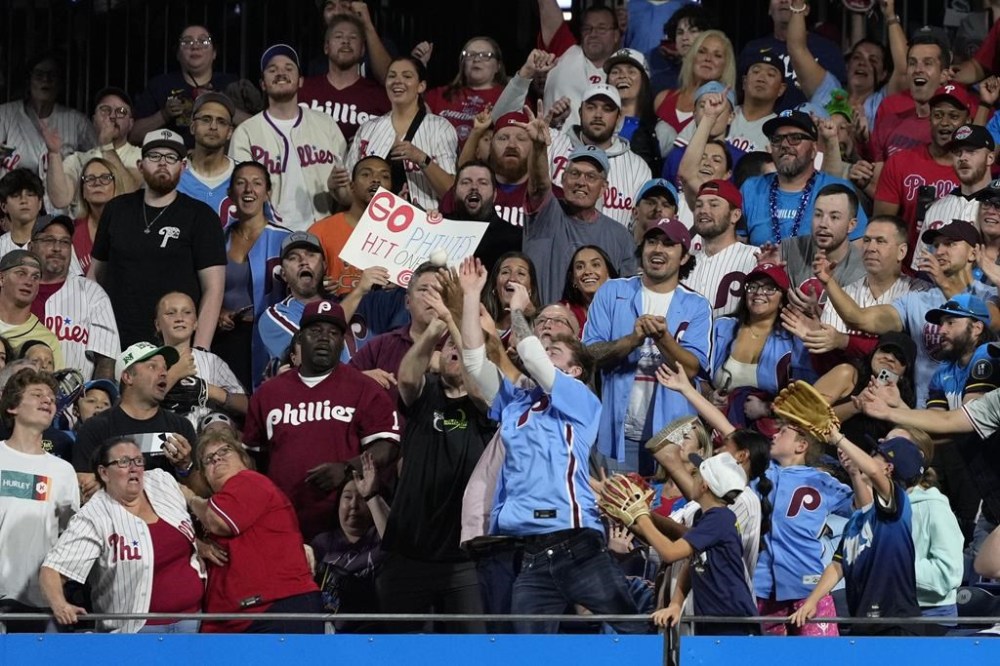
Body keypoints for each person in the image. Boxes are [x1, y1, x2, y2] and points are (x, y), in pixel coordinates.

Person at [458, 255, 643, 634]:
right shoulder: (516, 402)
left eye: (556, 350)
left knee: (632, 633)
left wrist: (517, 310)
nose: (546, 351)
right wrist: (471, 294)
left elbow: (532, 358)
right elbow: (475, 363)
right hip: (530, 554)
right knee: (527, 652)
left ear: (575, 369)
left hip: (579, 545)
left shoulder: (580, 398)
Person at [377, 283, 491, 632]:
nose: (454, 350)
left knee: (472, 652)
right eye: (448, 349)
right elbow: (407, 377)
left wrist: (455, 322)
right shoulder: (426, 394)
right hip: (408, 549)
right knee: (397, 652)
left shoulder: (484, 404)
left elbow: (477, 386)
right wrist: (436, 330)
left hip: (463, 557)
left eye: (462, 349)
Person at [243, 299, 401, 540]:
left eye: (334, 332)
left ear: (341, 342)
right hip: (283, 524)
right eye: (316, 331)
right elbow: (252, 458)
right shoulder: (268, 394)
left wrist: (347, 468)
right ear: (300, 339)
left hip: (347, 529)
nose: (325, 338)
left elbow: (388, 446)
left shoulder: (364, 389)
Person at [821, 220, 997, 406]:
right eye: (936, 245)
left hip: (977, 408)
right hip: (925, 411)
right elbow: (859, 318)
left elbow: (991, 321)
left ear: (973, 253)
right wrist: (828, 282)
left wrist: (944, 283)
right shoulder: (917, 300)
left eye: (950, 244)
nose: (939, 251)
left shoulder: (990, 294)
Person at [40, 436, 205, 633]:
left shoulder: (162, 482)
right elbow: (52, 570)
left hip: (193, 620)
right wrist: (60, 605)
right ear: (104, 473)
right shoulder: (94, 516)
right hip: (136, 631)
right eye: (124, 462)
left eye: (138, 461)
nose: (134, 468)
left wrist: (203, 544)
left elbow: (195, 507)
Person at [584, 218, 711, 473]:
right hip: (617, 434)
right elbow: (588, 356)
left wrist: (663, 338)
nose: (657, 249)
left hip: (674, 438)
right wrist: (633, 340)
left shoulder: (697, 305)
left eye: (668, 244)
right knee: (615, 509)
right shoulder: (612, 291)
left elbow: (693, 369)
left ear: (684, 257)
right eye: (651, 241)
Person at [89, 129, 226, 349]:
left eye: (171, 157)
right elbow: (94, 275)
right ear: (140, 165)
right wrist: (96, 335)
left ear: (183, 167)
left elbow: (214, 288)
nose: (163, 163)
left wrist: (200, 351)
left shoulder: (201, 216)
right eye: (154, 156)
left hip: (174, 344)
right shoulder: (117, 209)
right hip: (115, 340)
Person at [185, 429, 323, 633]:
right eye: (208, 459)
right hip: (234, 619)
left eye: (225, 450)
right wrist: (197, 544)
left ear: (244, 460)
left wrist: (190, 498)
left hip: (275, 610)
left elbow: (218, 521)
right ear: (204, 477)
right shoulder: (215, 506)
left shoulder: (249, 480)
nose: (217, 459)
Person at [790, 432, 923, 636]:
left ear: (888, 469)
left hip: (896, 624)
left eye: (874, 455)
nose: (867, 458)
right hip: (862, 622)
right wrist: (812, 601)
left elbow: (874, 474)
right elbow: (837, 565)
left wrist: (837, 438)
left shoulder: (897, 505)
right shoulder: (857, 519)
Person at [628, 453, 759, 636]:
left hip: (733, 619)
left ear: (704, 486)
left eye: (697, 474)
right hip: (713, 617)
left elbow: (670, 553)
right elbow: (691, 564)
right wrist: (675, 604)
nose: (692, 478)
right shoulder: (706, 516)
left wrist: (642, 516)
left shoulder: (720, 518)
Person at [521, 106, 637, 304]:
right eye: (574, 174)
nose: (581, 182)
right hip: (541, 327)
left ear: (603, 188)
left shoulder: (620, 236)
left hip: (595, 331)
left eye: (591, 176)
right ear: (563, 180)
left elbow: (627, 297)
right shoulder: (546, 214)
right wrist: (539, 147)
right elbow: (539, 186)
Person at [229, 44, 347, 231]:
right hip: (267, 234)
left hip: (322, 232)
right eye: (272, 69)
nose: (281, 73)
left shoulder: (326, 125)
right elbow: (240, 193)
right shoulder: (246, 133)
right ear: (262, 84)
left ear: (300, 81)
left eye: (288, 68)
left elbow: (347, 192)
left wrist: (337, 189)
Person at [0, 368, 78, 632]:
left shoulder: (63, 471)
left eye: (51, 397)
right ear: (12, 407)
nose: (48, 400)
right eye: (37, 394)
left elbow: (69, 538)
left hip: (40, 602)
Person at [72, 341, 200, 502]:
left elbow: (200, 492)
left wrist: (185, 466)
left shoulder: (181, 426)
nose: (163, 373)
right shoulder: (96, 428)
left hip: (169, 520)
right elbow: (84, 487)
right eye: (153, 367)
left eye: (165, 368)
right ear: (128, 377)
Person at [346, 56, 458, 211]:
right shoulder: (368, 129)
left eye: (407, 76)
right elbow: (348, 193)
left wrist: (421, 158)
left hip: (424, 226)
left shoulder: (440, 128)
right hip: (373, 225)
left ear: (421, 86)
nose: (397, 81)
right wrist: (335, 188)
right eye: (392, 76)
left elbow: (451, 193)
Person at [215, 161, 290, 390]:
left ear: (267, 193)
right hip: (225, 339)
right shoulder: (216, 239)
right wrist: (217, 313)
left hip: (272, 342)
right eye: (241, 183)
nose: (249, 189)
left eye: (257, 183)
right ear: (230, 193)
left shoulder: (286, 241)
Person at [741, 110, 868, 246]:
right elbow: (734, 248)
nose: (784, 145)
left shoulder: (839, 191)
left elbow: (858, 249)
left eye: (795, 138)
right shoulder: (751, 189)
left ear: (814, 149)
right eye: (777, 139)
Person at [711, 262, 811, 423]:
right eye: (753, 287)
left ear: (782, 300)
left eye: (769, 288)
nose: (759, 293)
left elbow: (806, 392)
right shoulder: (721, 327)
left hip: (768, 433)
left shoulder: (793, 339)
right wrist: (709, 394)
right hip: (715, 422)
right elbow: (697, 373)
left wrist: (768, 407)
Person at [872, 85, 971, 246]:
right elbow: (882, 228)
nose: (944, 123)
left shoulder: (974, 171)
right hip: (906, 267)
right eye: (938, 115)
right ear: (930, 119)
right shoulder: (900, 163)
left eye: (953, 116)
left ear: (967, 121)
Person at [30, 214, 119, 380]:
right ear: (31, 247)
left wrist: (97, 396)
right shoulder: (14, 291)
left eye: (64, 242)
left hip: (77, 398)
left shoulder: (92, 293)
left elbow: (106, 358)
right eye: (49, 240)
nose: (57, 248)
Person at [0, 52, 95, 205]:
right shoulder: (4, 115)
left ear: (60, 83)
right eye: (39, 74)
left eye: (52, 75)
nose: (46, 80)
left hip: (60, 214)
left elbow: (98, 162)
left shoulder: (78, 122)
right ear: (28, 80)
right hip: (11, 211)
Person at [554, 82, 652, 226]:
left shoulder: (638, 167)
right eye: (591, 107)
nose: (598, 115)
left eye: (607, 109)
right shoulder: (555, 144)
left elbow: (639, 225)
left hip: (612, 247)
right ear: (580, 112)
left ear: (618, 117)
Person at [130, 25, 240, 148]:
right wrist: (164, 114)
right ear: (178, 54)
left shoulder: (231, 84)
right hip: (171, 162)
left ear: (214, 53)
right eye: (187, 42)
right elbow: (133, 135)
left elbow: (257, 126)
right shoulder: (160, 85)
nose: (195, 46)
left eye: (203, 41)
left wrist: (222, 103)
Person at [154, 291, 247, 432]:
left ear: (196, 323)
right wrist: (175, 373)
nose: (180, 318)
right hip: (161, 438)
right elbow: (136, 406)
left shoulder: (211, 361)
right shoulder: (147, 361)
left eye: (187, 312)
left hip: (204, 442)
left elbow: (246, 406)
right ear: (158, 324)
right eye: (171, 313)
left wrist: (207, 390)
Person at [908, 123, 995, 273]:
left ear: (990, 158)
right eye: (957, 152)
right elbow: (922, 269)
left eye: (971, 151)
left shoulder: (996, 210)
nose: (962, 158)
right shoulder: (935, 210)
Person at [44, 87, 142, 217]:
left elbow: (129, 194)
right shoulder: (77, 159)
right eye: (105, 110)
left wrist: (107, 146)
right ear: (94, 120)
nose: (112, 116)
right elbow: (60, 200)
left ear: (131, 123)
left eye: (121, 111)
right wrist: (54, 153)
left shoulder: (141, 156)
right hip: (83, 233)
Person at [737, 0, 847, 113]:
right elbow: (740, 95)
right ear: (769, 9)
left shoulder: (827, 49)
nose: (783, 1)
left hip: (809, 125)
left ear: (805, 9)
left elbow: (838, 98)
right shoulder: (753, 49)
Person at [811, 331, 917, 445]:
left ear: (904, 373)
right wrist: (856, 406)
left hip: (870, 461)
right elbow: (807, 417)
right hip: (824, 455)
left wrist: (898, 405)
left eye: (900, 357)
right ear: (873, 353)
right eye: (885, 350)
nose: (889, 357)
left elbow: (917, 439)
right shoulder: (847, 374)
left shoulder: (902, 400)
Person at [298, 13, 391, 142]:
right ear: (326, 47)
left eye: (353, 37)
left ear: (363, 49)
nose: (345, 41)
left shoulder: (380, 97)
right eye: (338, 36)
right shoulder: (303, 90)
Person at [540, 2, 624, 130]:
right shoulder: (564, 51)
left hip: (605, 149)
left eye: (601, 28)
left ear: (616, 35)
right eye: (587, 28)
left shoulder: (626, 73)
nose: (593, 34)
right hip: (555, 146)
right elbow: (546, 6)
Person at [687, 179, 757, 317]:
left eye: (714, 205)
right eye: (699, 205)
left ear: (735, 215)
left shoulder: (755, 258)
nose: (703, 210)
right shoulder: (684, 262)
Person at [424, 36, 507, 147]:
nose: (476, 60)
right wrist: (419, 65)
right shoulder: (438, 95)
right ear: (462, 64)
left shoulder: (508, 98)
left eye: (485, 55)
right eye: (470, 55)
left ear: (498, 66)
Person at [654, 30, 736, 135]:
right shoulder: (662, 99)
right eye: (702, 51)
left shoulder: (724, 110)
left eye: (717, 55)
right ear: (692, 57)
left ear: (726, 65)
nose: (708, 59)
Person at [176, 92, 237, 224]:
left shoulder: (243, 176)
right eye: (206, 119)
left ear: (230, 132)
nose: (213, 127)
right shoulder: (173, 173)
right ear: (192, 127)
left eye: (221, 122)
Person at [603, 48, 666, 173]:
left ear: (644, 81)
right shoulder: (596, 123)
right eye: (615, 72)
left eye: (631, 71)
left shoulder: (660, 130)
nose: (622, 76)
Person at [0, 249, 63, 367]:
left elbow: (53, 385)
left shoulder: (47, 341)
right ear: (1, 279)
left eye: (35, 277)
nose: (29, 282)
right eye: (21, 274)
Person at [649, 4, 710, 93]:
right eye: (680, 33)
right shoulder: (659, 82)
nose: (685, 37)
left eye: (693, 31)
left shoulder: (712, 77)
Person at [481, 252, 542, 342]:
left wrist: (533, 315)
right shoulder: (479, 322)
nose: (512, 279)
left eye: (521, 273)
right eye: (505, 272)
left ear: (531, 288)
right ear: (495, 284)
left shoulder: (540, 326)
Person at [72, 157, 118, 275]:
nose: (97, 183)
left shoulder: (131, 225)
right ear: (83, 191)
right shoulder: (72, 230)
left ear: (116, 186)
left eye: (105, 178)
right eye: (90, 179)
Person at [560, 244, 619, 332]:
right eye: (580, 267)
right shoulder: (563, 311)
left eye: (595, 265)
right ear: (573, 279)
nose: (587, 272)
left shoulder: (627, 306)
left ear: (608, 273)